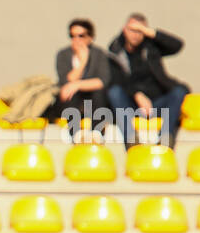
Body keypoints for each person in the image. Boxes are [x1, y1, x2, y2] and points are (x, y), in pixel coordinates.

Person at [106, 13, 189, 148]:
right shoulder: (115, 52)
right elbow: (116, 80)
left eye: (140, 31)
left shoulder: (151, 47)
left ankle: (165, 139)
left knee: (179, 91)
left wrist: (151, 32)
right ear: (124, 29)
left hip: (157, 102)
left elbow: (177, 45)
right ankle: (131, 139)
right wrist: (137, 94)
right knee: (114, 92)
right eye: (133, 30)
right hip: (131, 104)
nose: (136, 34)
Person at [41, 17, 111, 140]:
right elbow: (65, 82)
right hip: (72, 102)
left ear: (90, 37)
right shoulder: (63, 55)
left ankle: (97, 134)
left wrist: (77, 85)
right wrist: (82, 62)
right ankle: (77, 135)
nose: (76, 40)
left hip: (93, 102)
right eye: (73, 36)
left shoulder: (99, 54)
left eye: (81, 36)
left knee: (98, 93)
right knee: (69, 94)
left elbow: (102, 81)